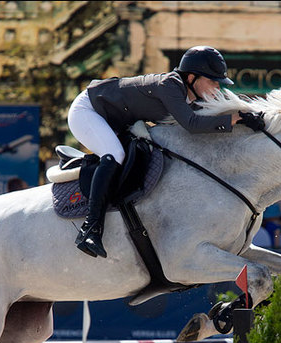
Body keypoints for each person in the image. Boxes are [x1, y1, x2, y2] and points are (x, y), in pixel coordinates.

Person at [66, 45, 264, 258]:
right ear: (191, 78)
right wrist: (234, 118)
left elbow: (205, 123)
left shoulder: (187, 98)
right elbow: (192, 124)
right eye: (212, 81)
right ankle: (90, 228)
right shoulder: (169, 85)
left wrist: (244, 120)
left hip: (112, 119)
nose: (217, 88)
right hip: (88, 111)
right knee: (115, 154)